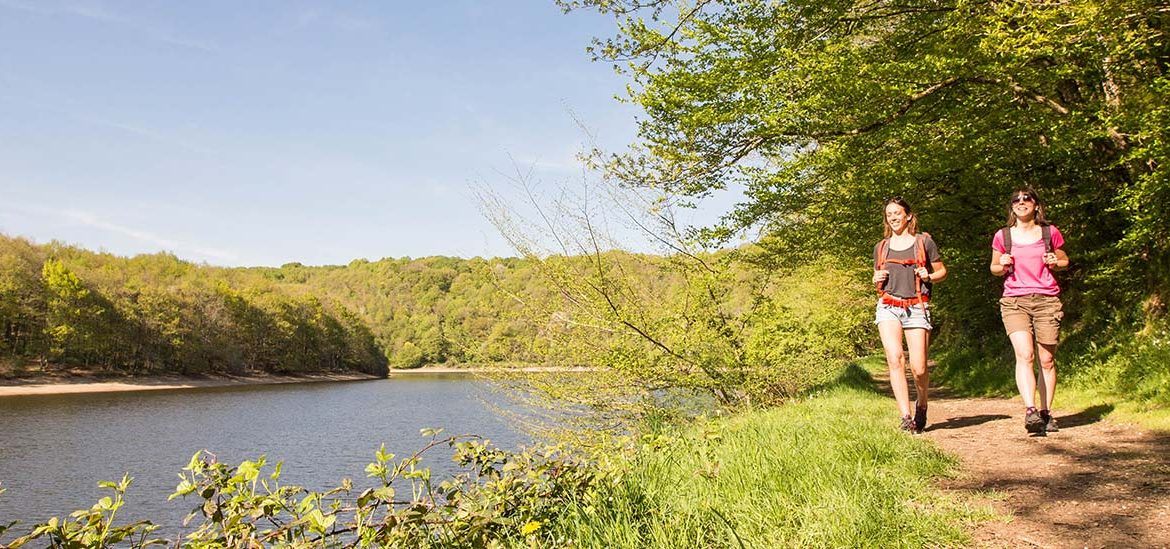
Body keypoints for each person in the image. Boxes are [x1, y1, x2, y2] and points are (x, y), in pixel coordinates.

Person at [990, 187, 1070, 434]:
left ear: (1036, 205)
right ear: (1011, 206)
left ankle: (1046, 412)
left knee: (1046, 359)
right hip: (1014, 301)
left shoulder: (1049, 232)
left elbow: (1065, 260)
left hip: (1047, 300)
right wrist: (1001, 264)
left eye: (1027, 199)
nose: (1021, 202)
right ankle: (1030, 411)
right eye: (1016, 200)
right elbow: (993, 268)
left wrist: (1056, 262)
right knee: (1025, 355)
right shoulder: (1003, 236)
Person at [873, 197, 947, 433]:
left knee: (919, 368)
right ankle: (905, 416)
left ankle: (922, 404)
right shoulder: (881, 247)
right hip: (888, 306)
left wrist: (929, 276)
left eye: (897, 213)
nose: (893, 217)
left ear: (908, 216)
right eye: (889, 214)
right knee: (895, 359)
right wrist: (876, 279)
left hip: (917, 306)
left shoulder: (923, 242)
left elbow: (942, 272)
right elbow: (879, 277)